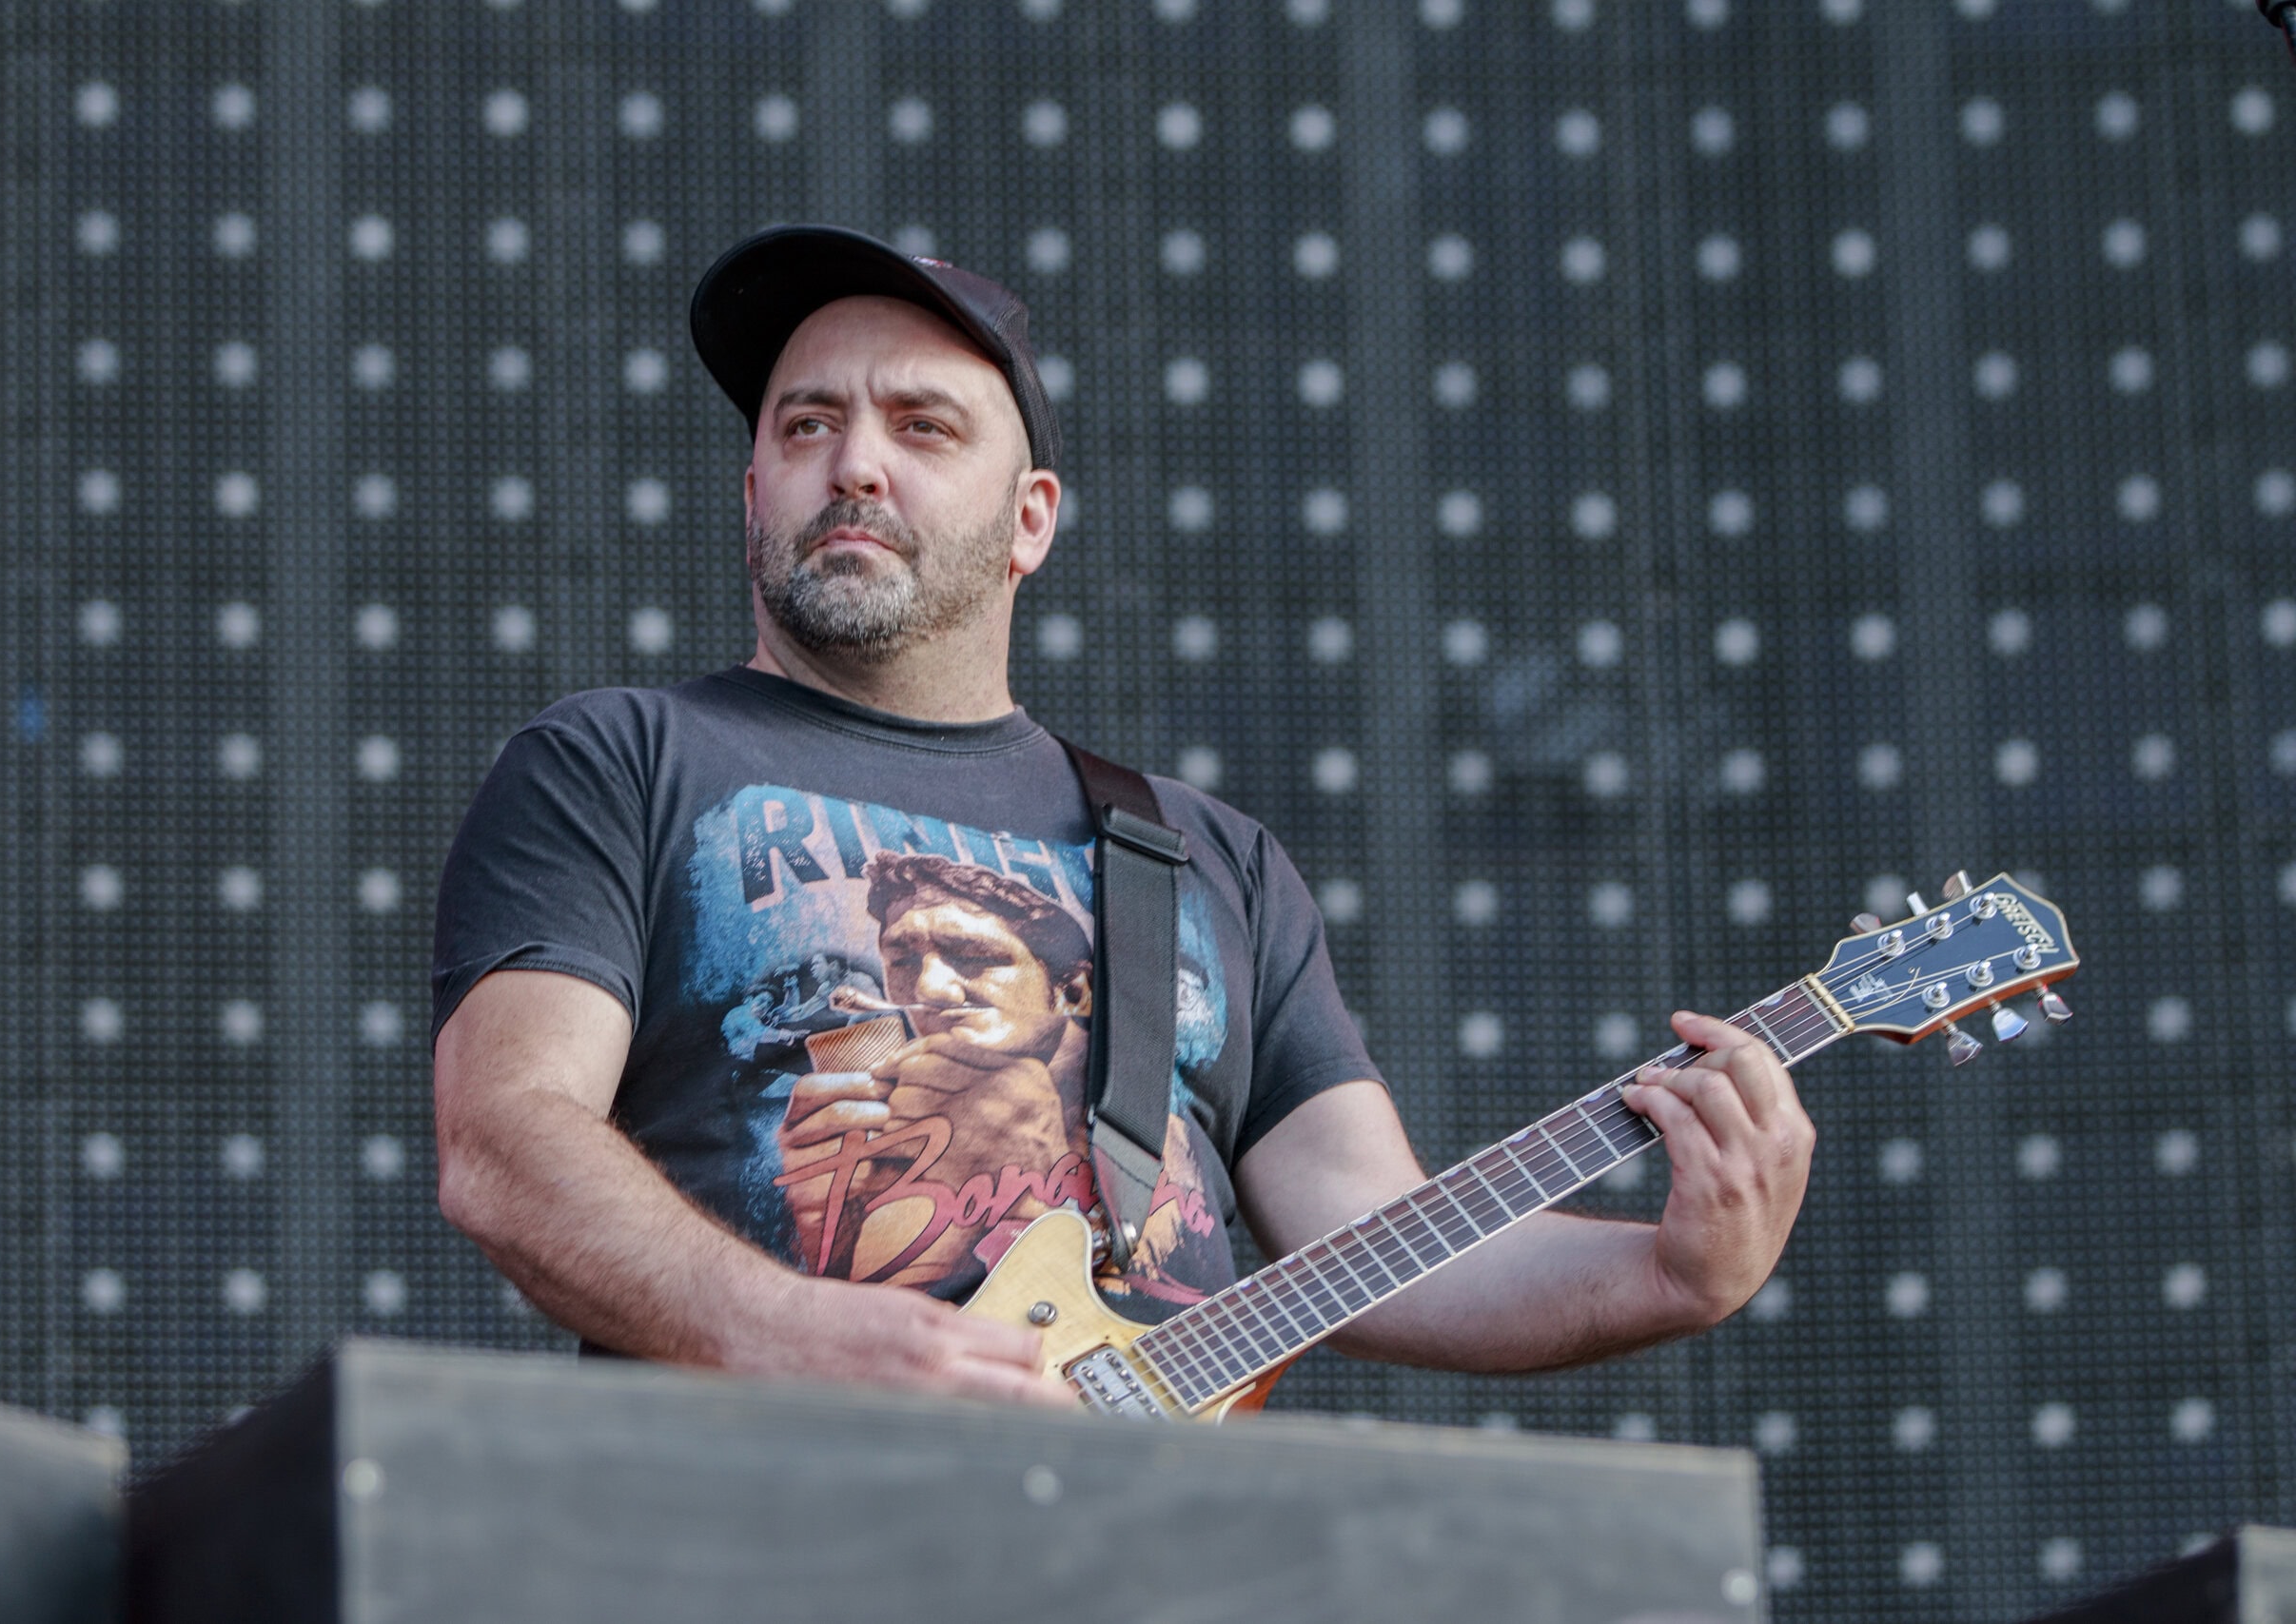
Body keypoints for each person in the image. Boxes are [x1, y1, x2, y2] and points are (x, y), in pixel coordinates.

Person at [429, 225, 1815, 1409]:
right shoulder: (616, 761)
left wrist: (1672, 1273)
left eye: (923, 426)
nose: (854, 464)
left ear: (1029, 520)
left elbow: (1382, 1244)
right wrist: (788, 1329)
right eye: (807, 425)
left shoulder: (1203, 857)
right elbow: (506, 1141)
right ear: (753, 495)